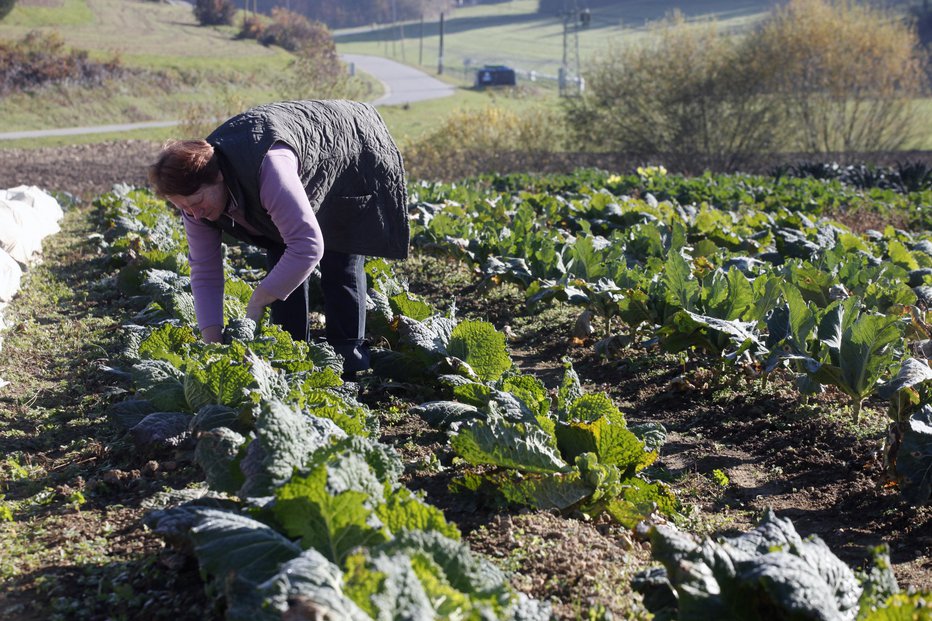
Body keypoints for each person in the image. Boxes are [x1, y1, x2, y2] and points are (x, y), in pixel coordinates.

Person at [147, 100, 409, 379]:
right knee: (280, 249)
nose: (194, 214)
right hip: (290, 170)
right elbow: (204, 271)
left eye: (197, 202)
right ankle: (289, 355)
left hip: (349, 149)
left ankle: (349, 363)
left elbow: (308, 246)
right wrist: (213, 341)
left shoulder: (269, 167)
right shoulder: (194, 203)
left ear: (219, 177)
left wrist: (258, 300)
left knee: (339, 259)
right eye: (183, 208)